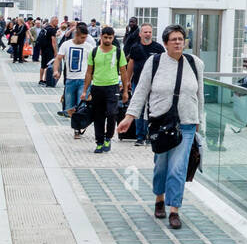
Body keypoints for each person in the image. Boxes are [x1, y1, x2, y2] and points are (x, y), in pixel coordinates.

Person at [119, 25, 204, 229]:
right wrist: (129, 117)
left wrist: (200, 122)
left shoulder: (195, 63)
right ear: (165, 43)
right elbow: (141, 91)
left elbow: (200, 95)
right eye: (173, 39)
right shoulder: (155, 62)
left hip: (186, 123)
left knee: (178, 168)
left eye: (180, 39)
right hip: (160, 123)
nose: (177, 42)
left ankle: (174, 209)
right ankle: (159, 198)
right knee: (162, 166)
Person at [81, 25, 130, 153]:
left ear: (113, 37)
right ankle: (99, 142)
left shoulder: (118, 52)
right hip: (97, 87)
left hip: (112, 87)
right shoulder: (94, 51)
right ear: (101, 37)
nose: (108, 40)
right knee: (98, 116)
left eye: (110, 37)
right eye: (105, 37)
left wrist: (125, 91)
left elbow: (124, 73)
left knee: (112, 113)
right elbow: (88, 72)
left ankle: (108, 137)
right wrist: (85, 90)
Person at [126, 23, 165, 145]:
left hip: (155, 85)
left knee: (152, 110)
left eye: (149, 32)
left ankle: (150, 135)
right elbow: (131, 64)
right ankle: (140, 136)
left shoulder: (158, 48)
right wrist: (127, 80)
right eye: (145, 32)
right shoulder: (135, 48)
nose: (148, 34)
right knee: (138, 108)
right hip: (138, 83)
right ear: (140, 34)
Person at [54, 22, 92, 134]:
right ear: (76, 34)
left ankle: (77, 128)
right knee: (69, 107)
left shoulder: (89, 47)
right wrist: (56, 71)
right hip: (70, 80)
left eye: (85, 37)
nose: (84, 40)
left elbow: (93, 64)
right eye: (82, 37)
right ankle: (76, 124)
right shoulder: (66, 45)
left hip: (83, 80)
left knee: (81, 105)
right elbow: (58, 59)